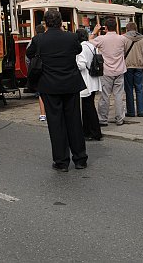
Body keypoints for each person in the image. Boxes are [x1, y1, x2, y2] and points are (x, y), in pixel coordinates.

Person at [27, 9, 87, 172]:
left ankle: (61, 162)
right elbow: (78, 50)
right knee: (74, 120)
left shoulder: (39, 39)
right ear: (61, 22)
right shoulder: (71, 37)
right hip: (71, 84)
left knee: (56, 123)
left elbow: (29, 53)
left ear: (45, 23)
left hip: (49, 85)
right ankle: (80, 159)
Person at [91, 17, 128, 126]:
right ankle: (120, 118)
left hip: (106, 71)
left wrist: (94, 32)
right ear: (116, 26)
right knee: (119, 96)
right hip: (120, 70)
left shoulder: (101, 39)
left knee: (105, 96)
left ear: (105, 28)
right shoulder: (122, 39)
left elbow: (87, 44)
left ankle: (103, 119)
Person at [76, 28, 102, 141]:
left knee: (88, 107)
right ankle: (87, 131)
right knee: (88, 106)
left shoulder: (81, 47)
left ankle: (94, 131)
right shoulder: (91, 45)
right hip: (94, 79)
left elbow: (81, 65)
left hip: (86, 79)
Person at [123, 23, 143, 117]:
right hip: (139, 66)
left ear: (127, 29)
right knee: (139, 89)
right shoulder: (142, 38)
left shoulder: (124, 38)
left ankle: (131, 111)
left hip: (127, 66)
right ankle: (140, 111)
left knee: (129, 89)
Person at [26, 24, 47, 122]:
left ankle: (43, 114)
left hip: (39, 67)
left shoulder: (35, 39)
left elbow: (28, 53)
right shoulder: (48, 38)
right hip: (49, 66)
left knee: (41, 91)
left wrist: (34, 60)